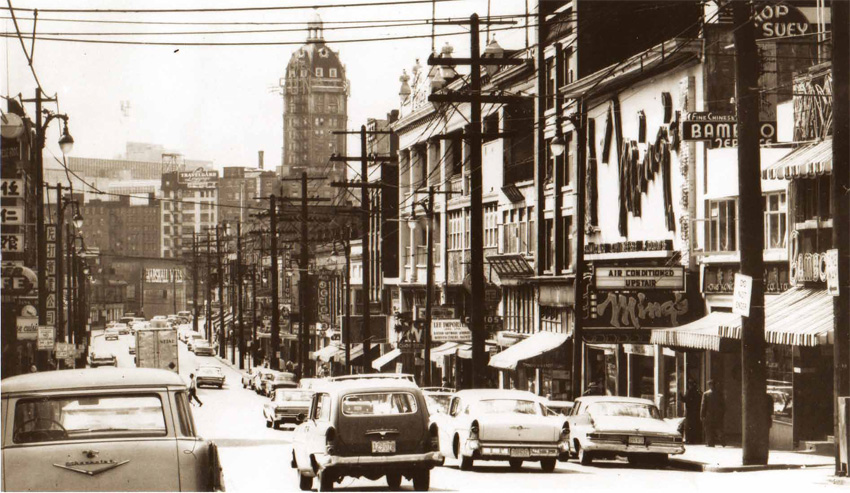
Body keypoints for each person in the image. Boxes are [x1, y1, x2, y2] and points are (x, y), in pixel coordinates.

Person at [700, 380, 724, 447]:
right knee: (718, 427)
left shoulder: (706, 394)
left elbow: (703, 405)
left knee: (709, 429)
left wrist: (702, 414)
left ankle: (710, 443)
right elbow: (723, 404)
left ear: (709, 385)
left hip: (709, 414)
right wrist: (722, 413)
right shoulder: (719, 393)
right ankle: (722, 440)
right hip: (718, 414)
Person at [684, 379, 702, 444]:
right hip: (696, 411)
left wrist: (680, 395)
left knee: (688, 426)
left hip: (690, 411)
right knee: (695, 425)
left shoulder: (689, 392)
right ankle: (695, 439)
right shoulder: (698, 392)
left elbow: (685, 399)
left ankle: (689, 439)